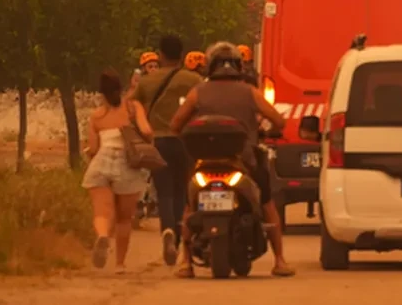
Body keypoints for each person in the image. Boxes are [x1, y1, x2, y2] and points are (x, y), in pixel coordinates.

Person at [169, 42, 296, 278]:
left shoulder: (197, 92)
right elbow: (279, 121)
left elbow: (176, 124)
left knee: (189, 205)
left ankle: (185, 261)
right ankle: (279, 260)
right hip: (244, 161)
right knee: (267, 202)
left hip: (203, 162)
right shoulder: (249, 92)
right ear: (238, 66)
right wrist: (262, 129)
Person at [133, 35, 204, 266]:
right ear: (182, 55)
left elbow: (132, 104)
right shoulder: (194, 80)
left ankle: (167, 231)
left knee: (164, 190)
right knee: (183, 191)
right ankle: (179, 233)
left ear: (160, 55)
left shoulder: (148, 81)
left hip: (159, 141)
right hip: (186, 141)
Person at [83, 69, 155, 273]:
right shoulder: (133, 108)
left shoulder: (96, 116)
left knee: (102, 212)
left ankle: (103, 235)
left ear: (101, 93)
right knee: (124, 218)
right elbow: (148, 131)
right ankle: (120, 264)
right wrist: (146, 142)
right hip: (127, 164)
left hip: (101, 163)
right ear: (121, 87)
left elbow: (94, 148)